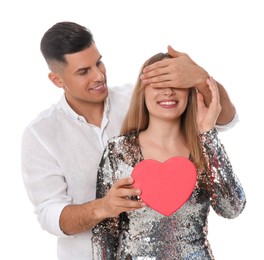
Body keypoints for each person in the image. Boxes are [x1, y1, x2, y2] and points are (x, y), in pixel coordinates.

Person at [21, 21, 239, 260]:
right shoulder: (41, 134)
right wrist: (103, 207)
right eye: (84, 71)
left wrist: (200, 78)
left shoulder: (141, 100)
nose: (98, 75)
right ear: (57, 80)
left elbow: (223, 118)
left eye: (99, 62)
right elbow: (49, 213)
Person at [92, 52, 246, 259]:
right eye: (158, 84)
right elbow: (105, 232)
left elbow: (232, 208)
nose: (169, 92)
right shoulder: (118, 151)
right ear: (143, 92)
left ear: (191, 93)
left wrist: (207, 134)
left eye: (177, 83)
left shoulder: (204, 149)